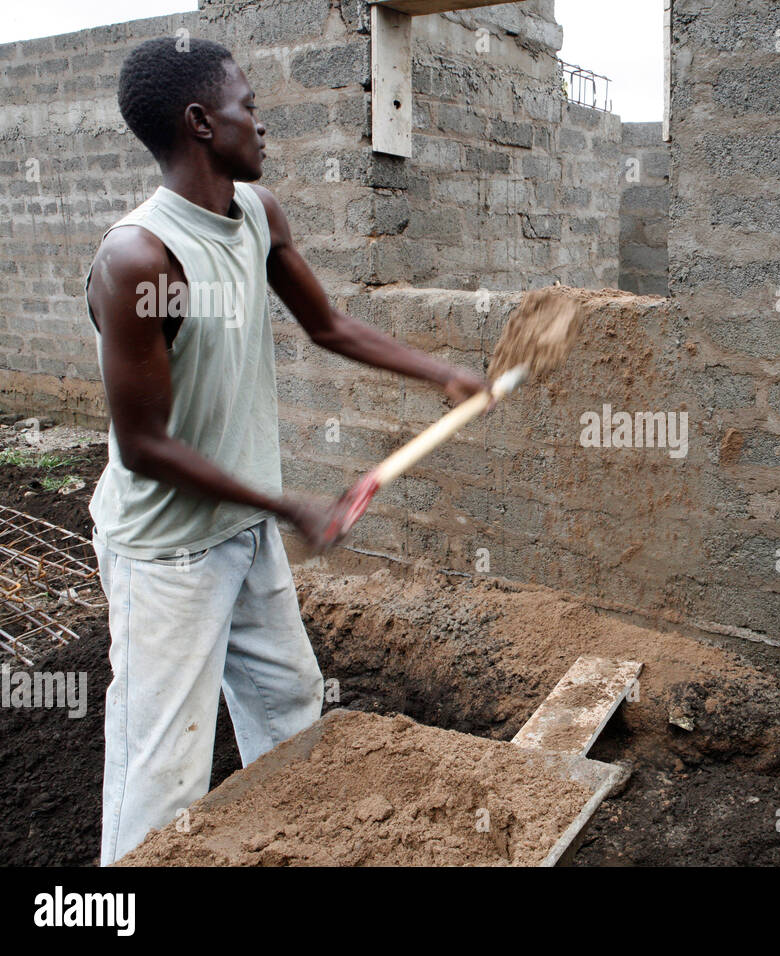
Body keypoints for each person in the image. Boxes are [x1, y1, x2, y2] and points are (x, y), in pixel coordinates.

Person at [85, 37, 486, 864]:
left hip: (243, 530)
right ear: (201, 123)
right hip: (165, 555)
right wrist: (287, 503)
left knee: (289, 708)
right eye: (249, 108)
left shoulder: (258, 216)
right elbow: (145, 446)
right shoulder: (140, 258)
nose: (263, 126)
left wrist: (442, 373)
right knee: (161, 776)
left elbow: (329, 325)